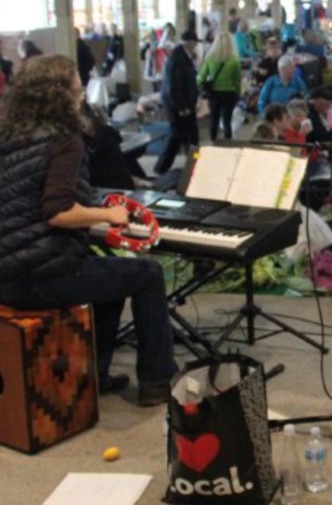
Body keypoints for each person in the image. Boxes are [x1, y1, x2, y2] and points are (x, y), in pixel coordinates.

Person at [0, 55, 176, 406]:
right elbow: (58, 211)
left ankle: (96, 373)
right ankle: (157, 380)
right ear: (59, 96)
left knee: (110, 274)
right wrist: (109, 214)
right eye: (77, 89)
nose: (81, 94)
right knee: (147, 273)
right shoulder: (65, 141)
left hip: (6, 272)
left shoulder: (9, 136)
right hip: (41, 277)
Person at [156, 31, 201, 175]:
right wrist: (181, 106)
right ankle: (162, 167)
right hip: (179, 106)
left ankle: (193, 164)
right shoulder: (177, 57)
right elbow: (173, 85)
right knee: (180, 136)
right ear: (188, 42)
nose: (196, 46)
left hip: (184, 104)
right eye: (194, 42)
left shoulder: (183, 55)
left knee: (187, 137)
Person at [197, 32, 242, 142]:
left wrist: (201, 87)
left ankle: (213, 142)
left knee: (214, 119)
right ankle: (228, 143)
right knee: (227, 120)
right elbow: (237, 80)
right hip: (230, 94)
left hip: (214, 94)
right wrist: (238, 93)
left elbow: (201, 77)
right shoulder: (235, 60)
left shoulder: (210, 58)